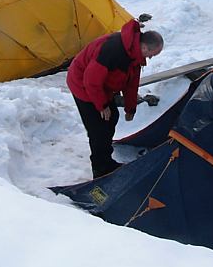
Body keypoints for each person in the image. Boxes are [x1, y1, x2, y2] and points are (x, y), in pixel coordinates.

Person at [67, 18, 164, 178]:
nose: (152, 58)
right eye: (153, 54)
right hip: (82, 84)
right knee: (98, 128)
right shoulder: (112, 50)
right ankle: (100, 169)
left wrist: (130, 107)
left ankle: (106, 160)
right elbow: (91, 81)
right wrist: (102, 105)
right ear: (145, 47)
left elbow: (131, 83)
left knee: (111, 118)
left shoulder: (135, 54)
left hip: (102, 86)